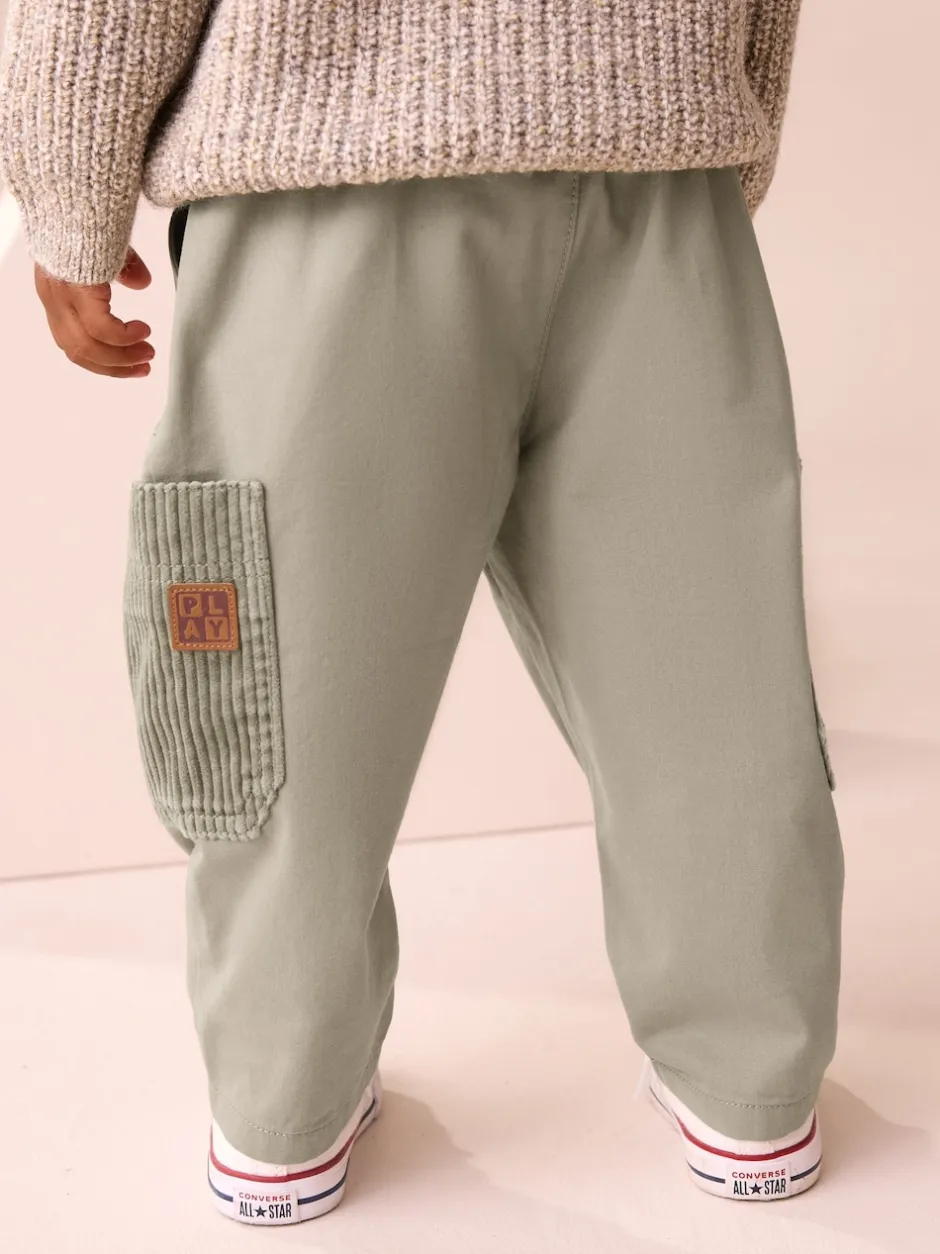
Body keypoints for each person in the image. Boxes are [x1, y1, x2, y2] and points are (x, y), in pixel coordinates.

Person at [0, 0, 843, 1227]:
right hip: (659, 168)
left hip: (327, 171)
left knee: (290, 686)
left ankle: (284, 1107)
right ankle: (753, 1085)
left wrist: (69, 196)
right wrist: (715, 123)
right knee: (711, 669)